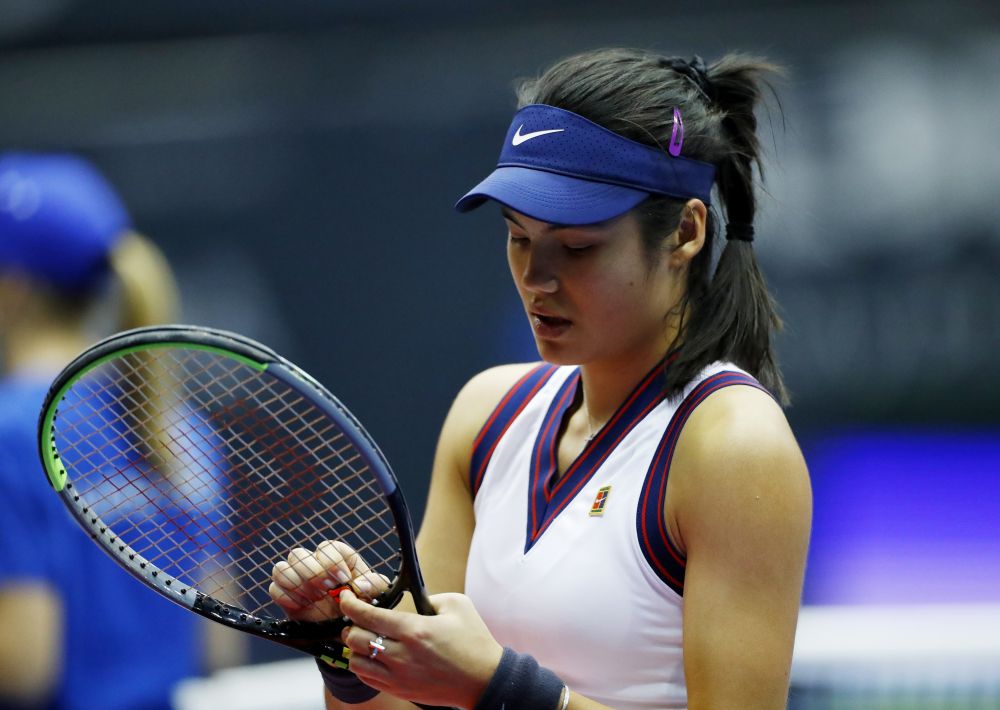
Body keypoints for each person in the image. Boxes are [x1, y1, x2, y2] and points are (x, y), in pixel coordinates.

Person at [269, 47, 812, 709]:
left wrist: (500, 686)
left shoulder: (733, 447)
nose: (536, 280)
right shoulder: (487, 414)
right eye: (519, 237)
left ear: (685, 234)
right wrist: (346, 651)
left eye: (577, 247)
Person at [0, 152, 241, 709]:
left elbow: (22, 665)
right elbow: (217, 641)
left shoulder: (12, 434)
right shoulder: (184, 429)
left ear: (13, 287)